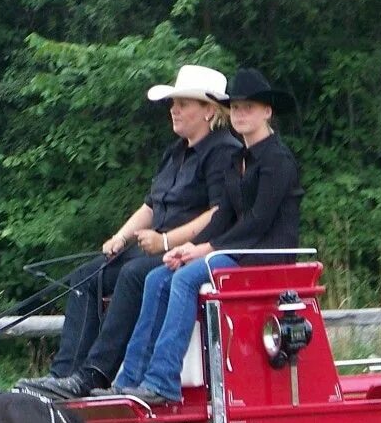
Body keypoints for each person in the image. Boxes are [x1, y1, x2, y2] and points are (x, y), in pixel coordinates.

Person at [18, 65, 242, 400]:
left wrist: (167, 240)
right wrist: (121, 237)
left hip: (189, 251)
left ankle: (95, 375)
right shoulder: (176, 151)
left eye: (184, 103)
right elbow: (150, 206)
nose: (174, 109)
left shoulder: (224, 150)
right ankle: (63, 375)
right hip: (154, 245)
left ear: (209, 110)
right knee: (85, 276)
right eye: (173, 103)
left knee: (135, 275)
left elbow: (218, 212)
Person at [109, 68, 303, 406]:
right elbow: (224, 216)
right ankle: (129, 379)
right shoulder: (236, 161)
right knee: (158, 277)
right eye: (237, 108)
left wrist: (206, 251)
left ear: (267, 112)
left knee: (185, 279)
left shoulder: (278, 160)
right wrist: (188, 247)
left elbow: (257, 223)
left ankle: (163, 380)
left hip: (265, 255)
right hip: (236, 250)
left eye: (250, 108)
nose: (241, 115)